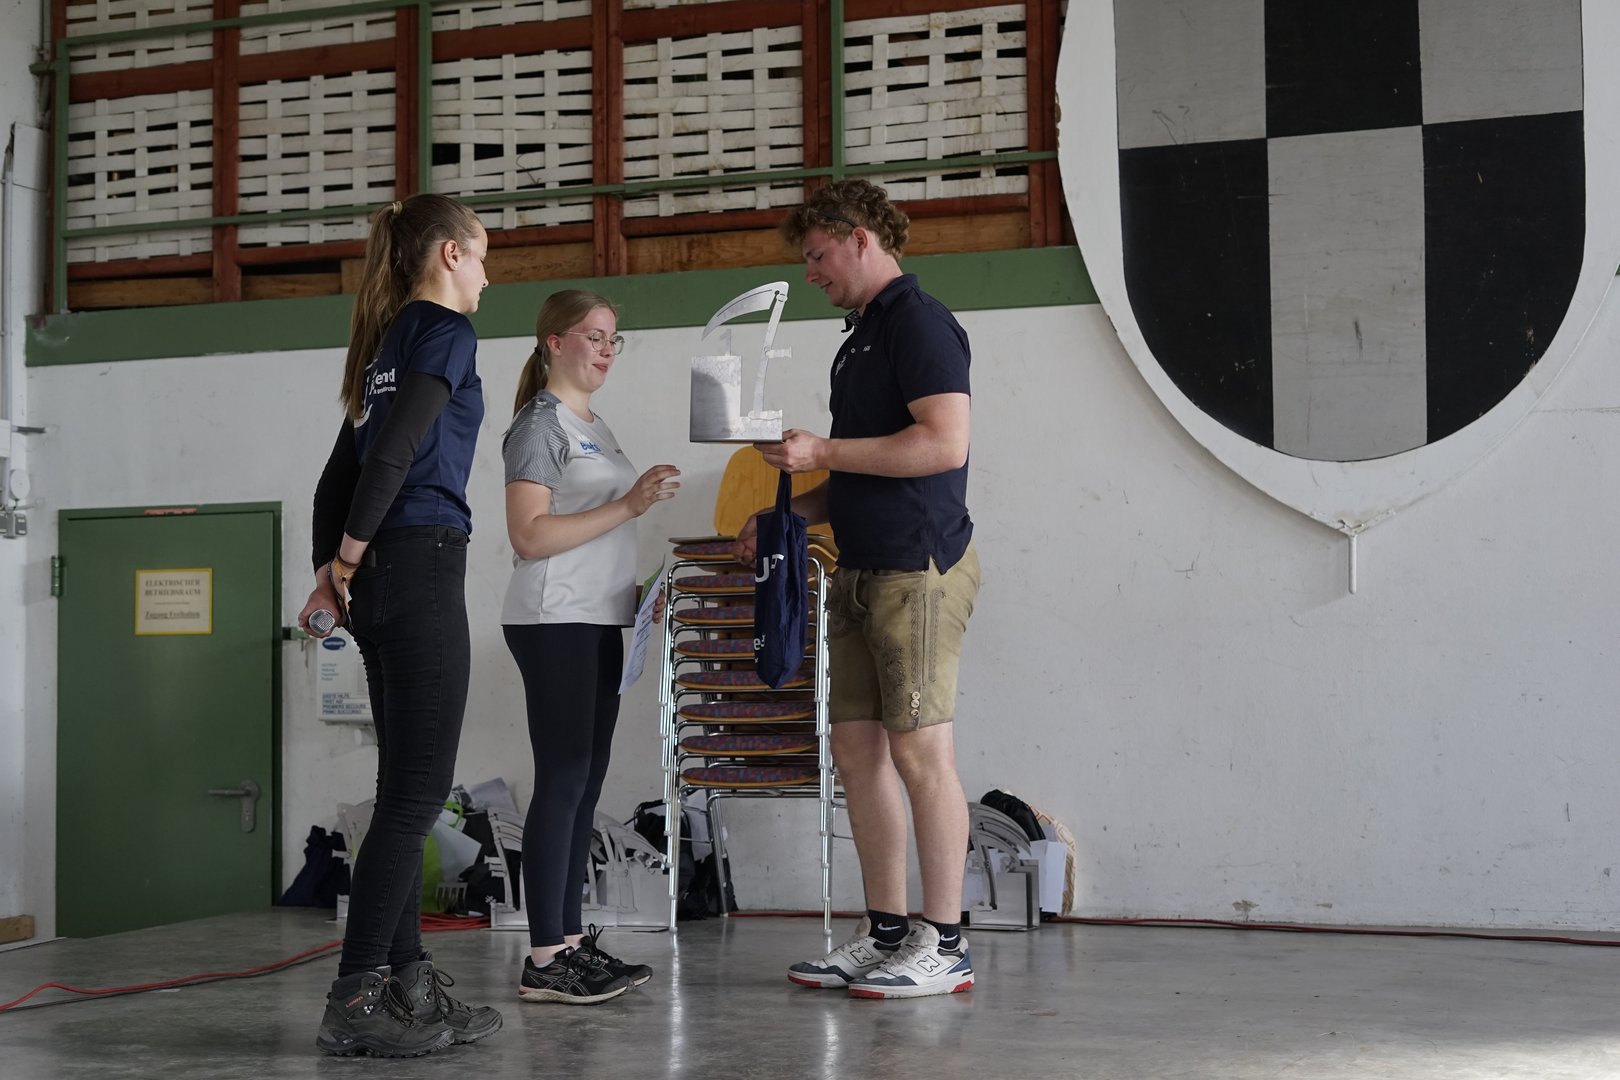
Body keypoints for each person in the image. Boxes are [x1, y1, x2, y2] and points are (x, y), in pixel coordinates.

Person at [735, 178, 980, 1000]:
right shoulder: (860, 339)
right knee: (856, 750)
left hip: (918, 568)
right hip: (861, 568)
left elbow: (943, 445)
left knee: (920, 752)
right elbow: (861, 471)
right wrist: (793, 514)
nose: (810, 273)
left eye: (816, 255)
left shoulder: (920, 323)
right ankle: (887, 933)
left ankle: (946, 944)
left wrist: (823, 453)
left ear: (859, 238)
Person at [298, 193, 502, 1056]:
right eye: (482, 255)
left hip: (381, 578)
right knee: (418, 794)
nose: (488, 275)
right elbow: (396, 451)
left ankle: (410, 985)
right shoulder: (445, 332)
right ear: (450, 253)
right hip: (417, 563)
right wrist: (345, 559)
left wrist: (332, 571)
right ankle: (355, 998)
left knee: (402, 794)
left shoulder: (384, 345)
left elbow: (333, 477)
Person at [501, 289, 680, 1004]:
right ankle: (545, 956)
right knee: (564, 778)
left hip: (599, 619)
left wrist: (634, 594)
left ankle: (569, 942)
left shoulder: (595, 427)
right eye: (593, 336)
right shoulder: (538, 425)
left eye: (614, 339)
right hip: (554, 620)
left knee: (584, 783)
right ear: (554, 342)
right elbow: (529, 536)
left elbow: (590, 534)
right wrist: (629, 504)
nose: (606, 350)